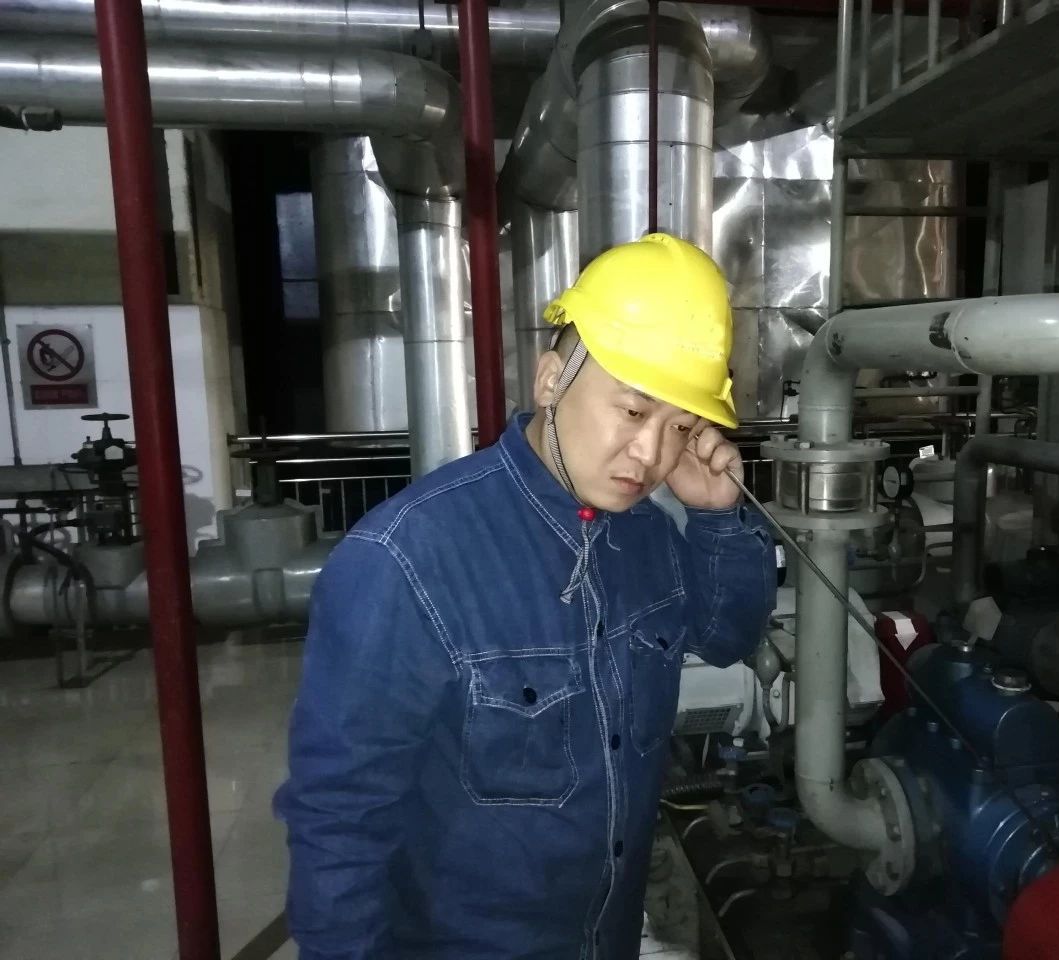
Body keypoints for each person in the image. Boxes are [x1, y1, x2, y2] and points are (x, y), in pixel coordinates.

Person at [275, 233, 777, 959]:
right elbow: (339, 821)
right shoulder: (407, 559)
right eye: (633, 412)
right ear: (549, 381)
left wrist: (717, 519)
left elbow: (729, 637)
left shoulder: (647, 538)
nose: (651, 454)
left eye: (680, 427)